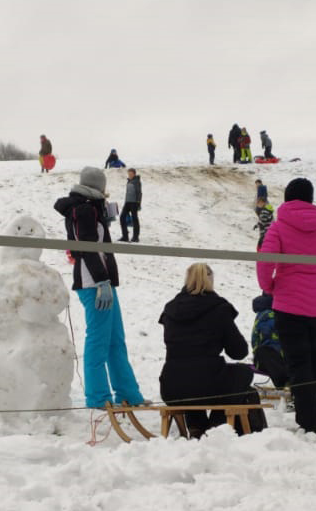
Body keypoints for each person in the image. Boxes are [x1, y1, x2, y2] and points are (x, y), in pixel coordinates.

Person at [256, 177, 316, 433]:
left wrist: (270, 286)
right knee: (314, 353)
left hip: (288, 304)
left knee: (298, 362)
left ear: (287, 197)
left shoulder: (279, 227)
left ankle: (309, 423)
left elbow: (265, 261)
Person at [54, 167, 144, 408]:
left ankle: (127, 393)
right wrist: (102, 280)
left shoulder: (90, 208)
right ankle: (97, 398)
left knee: (116, 340)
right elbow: (87, 247)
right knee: (98, 342)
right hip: (94, 282)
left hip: (103, 281)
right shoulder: (83, 209)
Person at [159, 263, 267, 439]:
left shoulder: (171, 308)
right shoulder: (218, 308)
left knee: (190, 379)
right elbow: (239, 351)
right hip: (208, 383)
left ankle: (196, 425)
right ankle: (216, 424)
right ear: (210, 280)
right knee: (242, 374)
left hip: (171, 386)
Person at [118, 168, 141, 243]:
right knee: (122, 217)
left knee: (135, 219)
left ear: (134, 174)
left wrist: (138, 203)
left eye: (131, 174)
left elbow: (139, 193)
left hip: (134, 203)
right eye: (128, 174)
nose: (129, 175)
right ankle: (125, 236)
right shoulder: (129, 181)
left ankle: (135, 237)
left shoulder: (136, 182)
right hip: (127, 202)